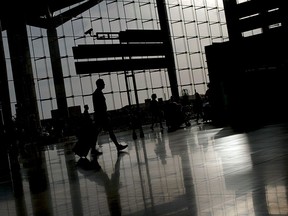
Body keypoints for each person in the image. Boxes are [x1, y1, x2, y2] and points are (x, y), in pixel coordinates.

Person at [91, 78, 127, 156]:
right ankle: (117, 146)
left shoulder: (96, 93)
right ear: (100, 84)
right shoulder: (98, 93)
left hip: (100, 115)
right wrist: (105, 114)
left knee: (97, 133)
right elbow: (100, 106)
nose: (104, 84)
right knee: (106, 132)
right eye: (103, 83)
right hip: (101, 116)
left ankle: (93, 149)